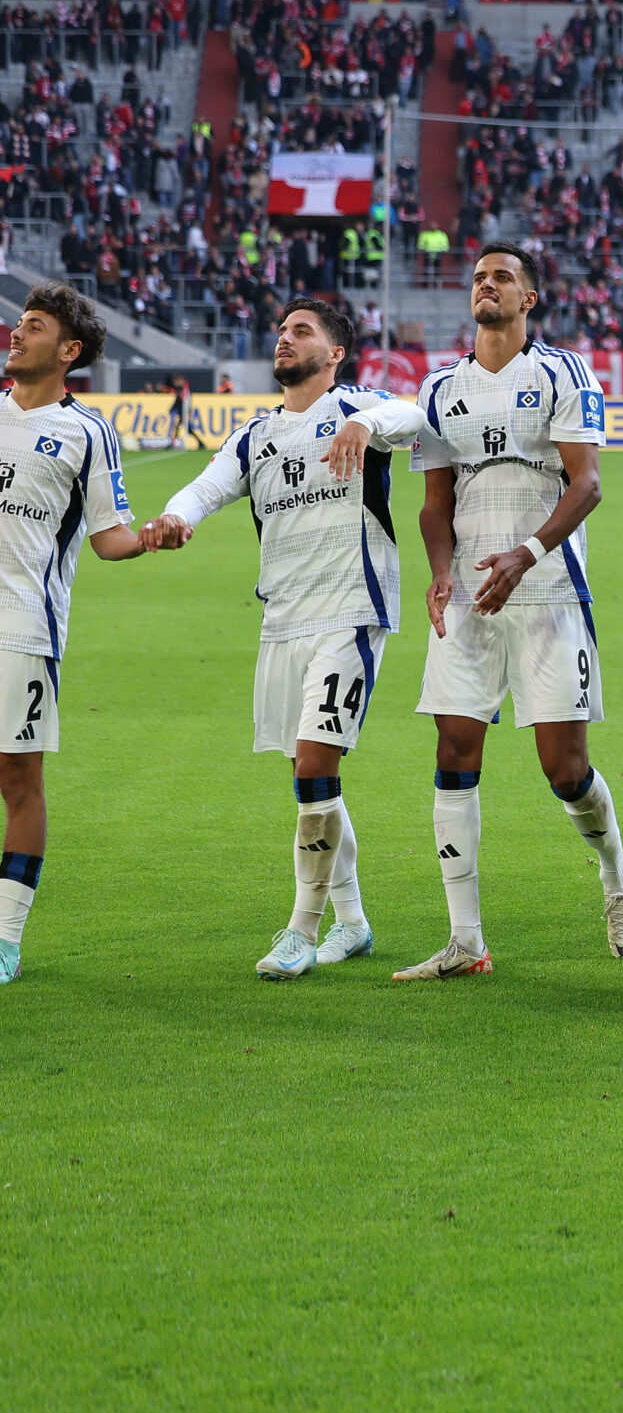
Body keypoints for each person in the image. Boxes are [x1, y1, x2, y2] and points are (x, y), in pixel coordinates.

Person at [139, 300, 424, 978]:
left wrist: (361, 422)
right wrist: (176, 518)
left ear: (334, 355)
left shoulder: (358, 407)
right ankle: (352, 923)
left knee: (314, 768)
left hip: (350, 610)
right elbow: (206, 487)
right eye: (282, 330)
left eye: (302, 331)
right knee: (309, 778)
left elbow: (412, 416)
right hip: (283, 622)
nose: (284, 338)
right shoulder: (255, 434)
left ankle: (301, 928)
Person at [396, 244, 623, 981]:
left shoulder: (564, 373)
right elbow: (435, 504)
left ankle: (615, 871)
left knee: (564, 772)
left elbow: (588, 483)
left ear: (528, 298)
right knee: (453, 751)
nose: (487, 285)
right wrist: (442, 573)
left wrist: (525, 554)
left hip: (547, 591)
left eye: (502, 277)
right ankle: (465, 941)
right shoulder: (440, 389)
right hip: (470, 596)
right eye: (478, 278)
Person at [0, 284, 151, 984]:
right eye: (18, 323)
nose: (16, 333)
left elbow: (109, 538)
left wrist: (154, 537)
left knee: (18, 780)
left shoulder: (87, 432)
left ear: (68, 352)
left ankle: (5, 940)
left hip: (23, 628)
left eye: (33, 327)